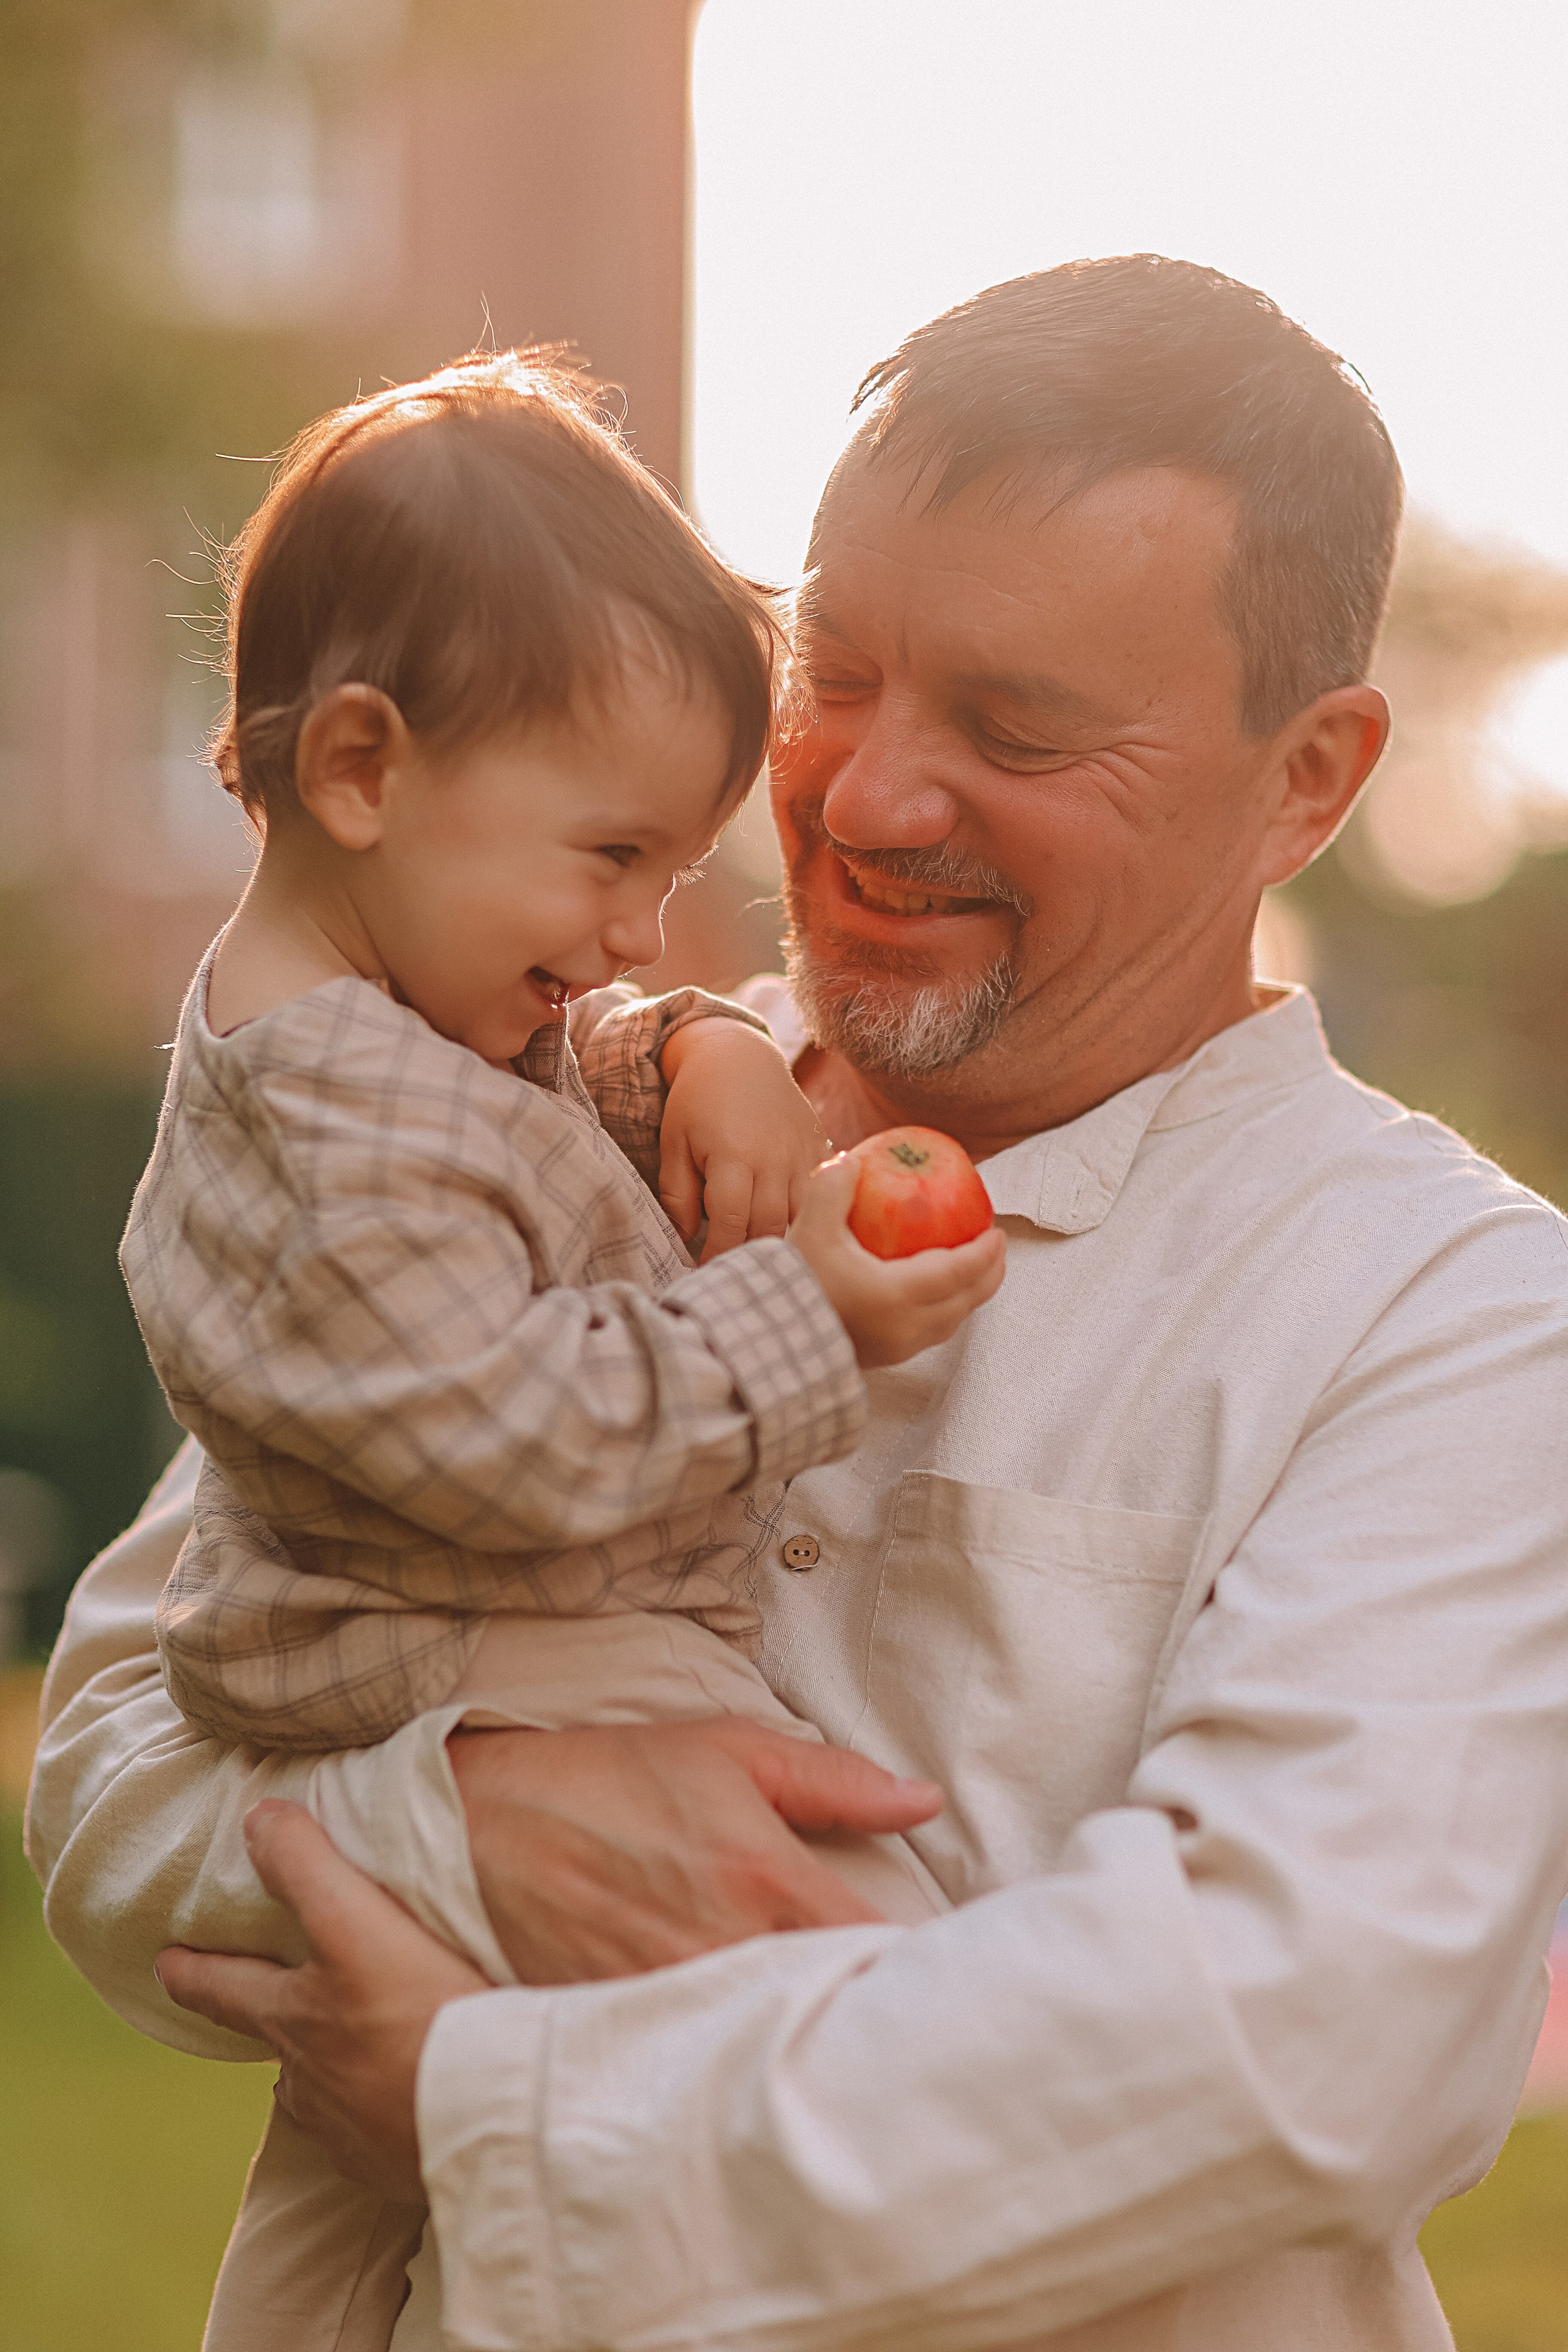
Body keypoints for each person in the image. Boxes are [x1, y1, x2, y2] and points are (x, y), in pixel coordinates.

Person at [29, 258, 1568, 2352]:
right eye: (832, 670)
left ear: (1310, 777)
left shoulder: (1452, 1312)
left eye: (1017, 729)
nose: (865, 796)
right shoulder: (495, 1110)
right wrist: (461, 1814)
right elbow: (117, 1752)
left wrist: (503, 2105)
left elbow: (1301, 2040)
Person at [111, 350, 1000, 2346]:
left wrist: (690, 1040)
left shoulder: (355, 1004)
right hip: (514, 1648)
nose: (631, 931)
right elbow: (509, 1433)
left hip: (424, 1645)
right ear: (359, 765)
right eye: (612, 864)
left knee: (355, 2171)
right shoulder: (347, 1141)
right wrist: (814, 1317)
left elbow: (521, 1053)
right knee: (863, 1970)